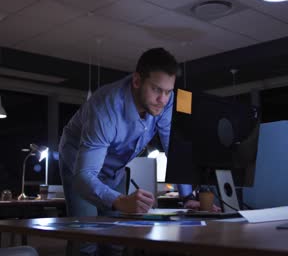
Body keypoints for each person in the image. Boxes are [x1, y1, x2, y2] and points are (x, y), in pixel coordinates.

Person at [59, 47, 195, 255]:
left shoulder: (165, 103)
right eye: (157, 89)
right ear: (137, 81)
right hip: (78, 164)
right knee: (86, 239)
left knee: (118, 237)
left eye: (168, 92)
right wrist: (121, 201)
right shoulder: (105, 108)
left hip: (115, 169)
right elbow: (84, 176)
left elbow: (173, 150)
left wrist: (188, 197)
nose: (163, 100)